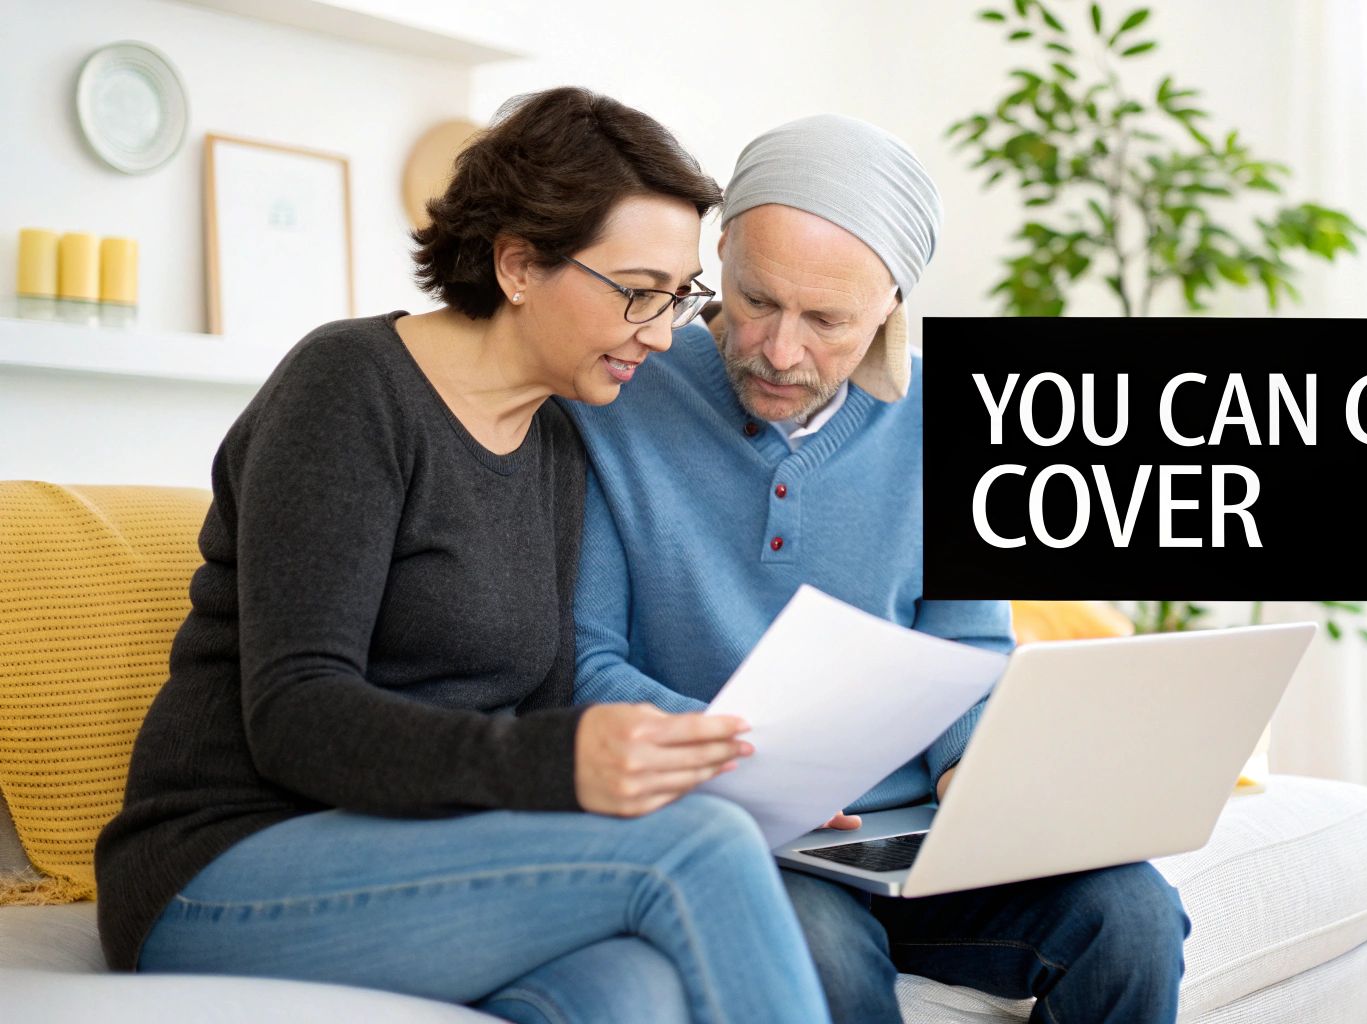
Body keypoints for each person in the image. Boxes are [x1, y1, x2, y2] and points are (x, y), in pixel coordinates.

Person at [94, 87, 831, 1024]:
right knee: (701, 847)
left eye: (677, 297)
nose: (661, 331)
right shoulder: (351, 388)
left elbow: (546, 695)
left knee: (632, 994)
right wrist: (552, 763)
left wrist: (730, 761)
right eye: (639, 292)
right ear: (520, 264)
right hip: (224, 860)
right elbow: (295, 712)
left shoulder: (559, 441)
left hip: (426, 848)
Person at [563, 113, 1191, 1024]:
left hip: (915, 834)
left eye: (826, 321)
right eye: (755, 300)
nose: (780, 351)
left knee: (1131, 917)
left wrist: (974, 774)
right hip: (739, 832)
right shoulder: (616, 397)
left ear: (892, 301)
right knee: (819, 952)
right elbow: (587, 661)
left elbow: (967, 641)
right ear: (722, 249)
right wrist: (749, 757)